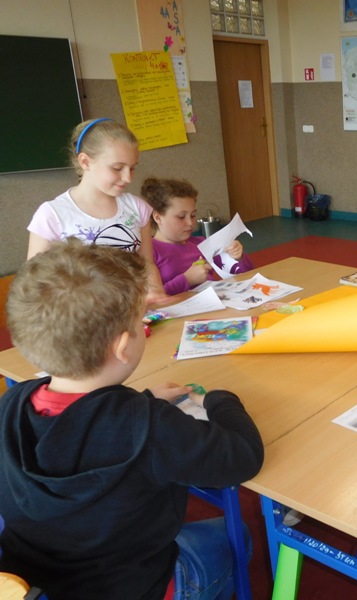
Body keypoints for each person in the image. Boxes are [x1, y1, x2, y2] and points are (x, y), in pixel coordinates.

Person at [0, 239, 265, 599]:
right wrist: (222, 400)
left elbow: (76, 432)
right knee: (239, 535)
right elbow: (244, 456)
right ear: (123, 347)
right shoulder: (150, 425)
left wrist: (144, 402)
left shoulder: (10, 404)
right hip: (136, 587)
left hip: (34, 584)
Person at [26, 118, 167, 304]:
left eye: (132, 168)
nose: (128, 178)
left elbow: (146, 264)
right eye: (117, 168)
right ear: (85, 162)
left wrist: (156, 291)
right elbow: (35, 283)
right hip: (81, 315)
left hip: (133, 310)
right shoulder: (52, 215)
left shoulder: (137, 208)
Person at [140, 177, 254, 295]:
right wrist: (187, 279)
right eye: (181, 217)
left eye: (193, 215)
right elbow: (147, 298)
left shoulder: (200, 243)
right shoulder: (148, 252)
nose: (190, 223)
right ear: (158, 217)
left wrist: (238, 257)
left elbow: (246, 276)